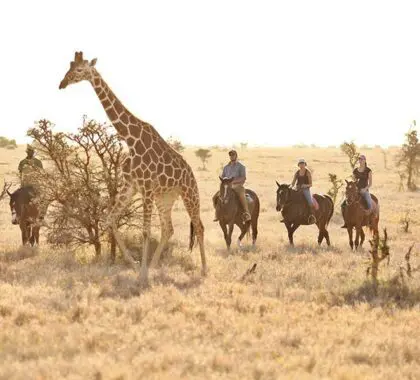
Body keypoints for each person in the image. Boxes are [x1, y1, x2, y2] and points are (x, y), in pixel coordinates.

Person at [213, 150, 251, 222]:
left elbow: (243, 178)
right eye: (230, 155)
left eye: (233, 155)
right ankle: (217, 214)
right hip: (227, 187)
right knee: (214, 197)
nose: (232, 156)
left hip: (237, 186)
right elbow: (223, 177)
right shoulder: (226, 167)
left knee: (242, 196)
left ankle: (246, 213)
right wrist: (224, 181)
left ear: (236, 156)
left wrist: (233, 181)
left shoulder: (241, 167)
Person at [18, 145, 48, 225]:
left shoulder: (38, 162)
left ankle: (41, 218)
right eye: (29, 151)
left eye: (32, 151)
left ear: (33, 152)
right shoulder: (22, 162)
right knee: (15, 200)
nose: (30, 153)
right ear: (26, 152)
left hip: (36, 186)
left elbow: (41, 174)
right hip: (24, 186)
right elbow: (20, 174)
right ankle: (17, 217)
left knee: (45, 199)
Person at [341, 154, 373, 228]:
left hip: (364, 190)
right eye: (359, 159)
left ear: (365, 161)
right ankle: (346, 222)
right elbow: (354, 181)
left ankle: (369, 220)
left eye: (362, 159)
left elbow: (370, 183)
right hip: (355, 190)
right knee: (343, 204)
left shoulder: (368, 170)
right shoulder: (355, 170)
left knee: (369, 204)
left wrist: (364, 189)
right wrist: (350, 186)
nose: (360, 161)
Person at [291, 158, 316, 224]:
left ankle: (311, 216)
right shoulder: (297, 172)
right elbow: (293, 183)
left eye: (303, 164)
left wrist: (305, 185)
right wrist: (290, 187)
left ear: (305, 164)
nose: (302, 165)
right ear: (298, 165)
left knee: (310, 201)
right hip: (297, 189)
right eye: (300, 164)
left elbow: (311, 184)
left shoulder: (308, 172)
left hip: (305, 190)